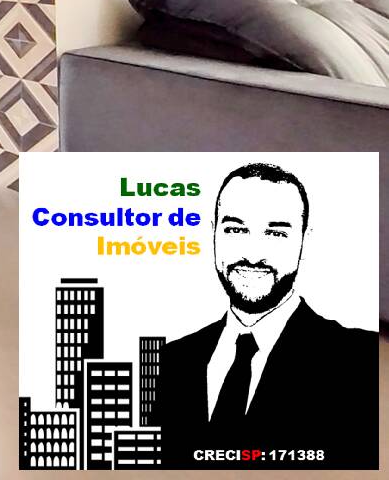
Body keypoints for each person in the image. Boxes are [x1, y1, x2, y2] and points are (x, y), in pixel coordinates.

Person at [159, 162, 378, 469]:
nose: (253, 255)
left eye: (275, 233)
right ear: (213, 232)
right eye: (235, 229)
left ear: (305, 240)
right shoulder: (170, 361)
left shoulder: (363, 359)